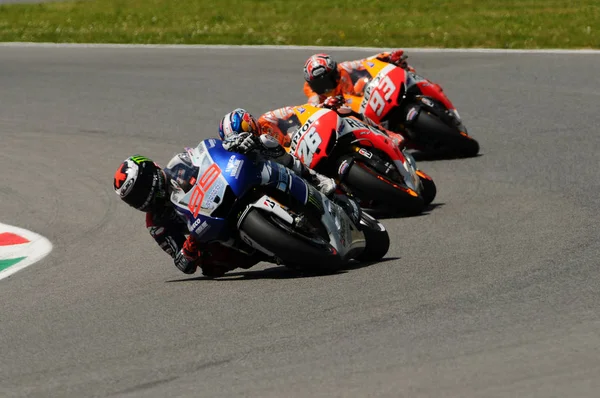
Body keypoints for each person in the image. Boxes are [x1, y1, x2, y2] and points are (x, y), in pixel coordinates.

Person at [112, 109, 340, 278]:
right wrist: (189, 249)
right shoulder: (156, 224)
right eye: (133, 199)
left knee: (261, 144)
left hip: (226, 190)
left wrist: (233, 145)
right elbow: (182, 264)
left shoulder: (178, 163)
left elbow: (208, 154)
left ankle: (311, 178)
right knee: (211, 268)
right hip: (211, 233)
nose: (141, 199)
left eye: (140, 190)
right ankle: (277, 249)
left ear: (151, 172)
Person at [257, 96, 406, 150]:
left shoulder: (267, 119)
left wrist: (322, 107)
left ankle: (387, 134)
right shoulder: (254, 150)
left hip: (306, 141)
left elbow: (298, 110)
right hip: (296, 160)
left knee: (344, 111)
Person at [302, 50, 414, 106]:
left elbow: (366, 62)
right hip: (351, 112)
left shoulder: (345, 67)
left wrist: (386, 56)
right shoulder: (313, 93)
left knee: (405, 68)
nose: (326, 87)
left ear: (334, 72)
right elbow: (313, 108)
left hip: (365, 98)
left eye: (328, 80)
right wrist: (325, 105)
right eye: (320, 85)